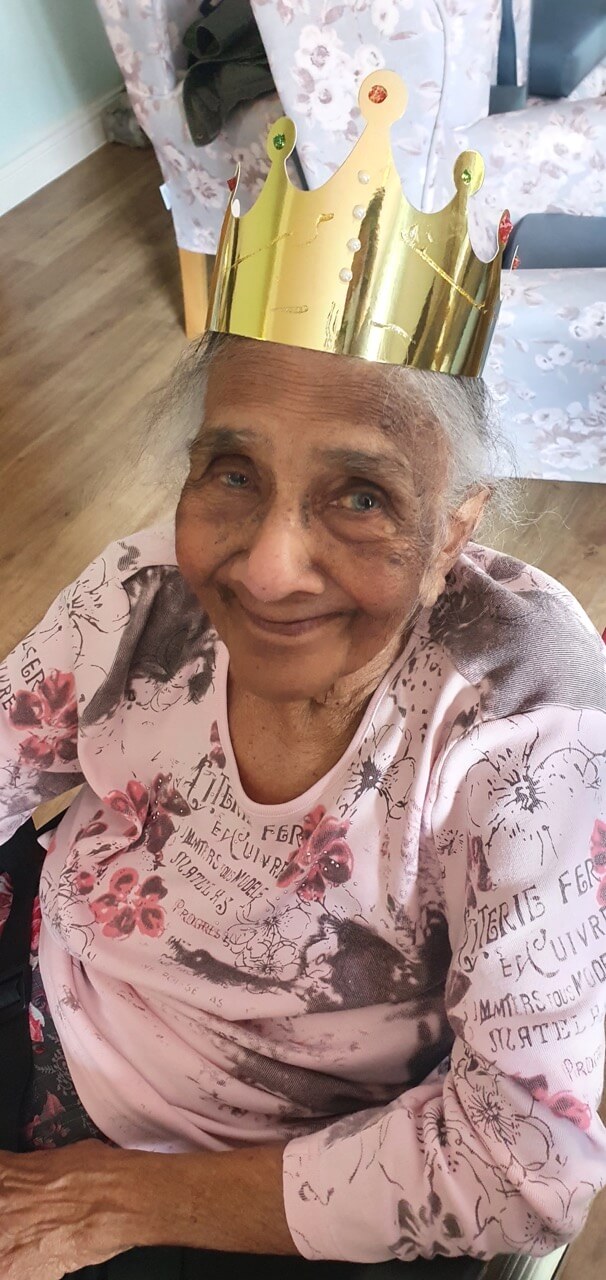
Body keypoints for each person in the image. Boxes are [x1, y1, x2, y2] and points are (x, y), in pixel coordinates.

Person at [1, 72, 606, 1280]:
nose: (269, 567)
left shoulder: (529, 727)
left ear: (454, 529)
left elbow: (526, 1159)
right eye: (232, 470)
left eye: (362, 493)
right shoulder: (143, 593)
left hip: (257, 1188)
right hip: (46, 1014)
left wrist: (123, 1199)